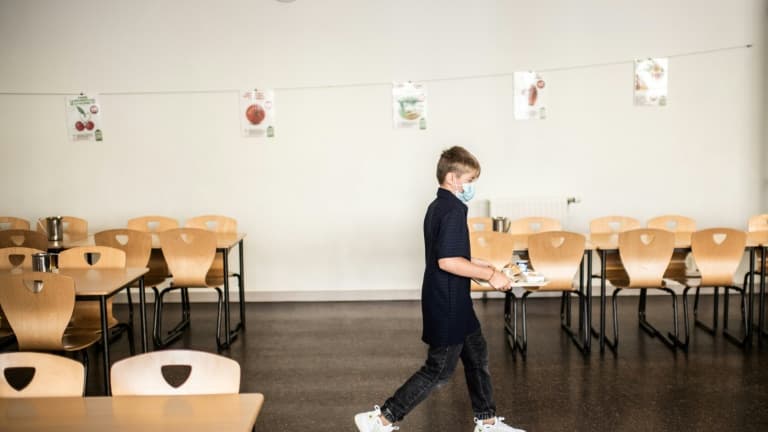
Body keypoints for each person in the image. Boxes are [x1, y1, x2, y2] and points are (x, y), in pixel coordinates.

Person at [354, 146, 525, 432]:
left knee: (477, 356)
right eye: (469, 180)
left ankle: (487, 422)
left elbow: (452, 254)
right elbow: (447, 261)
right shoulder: (453, 210)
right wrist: (489, 275)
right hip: (447, 303)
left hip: (455, 301)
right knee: (439, 371)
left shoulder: (439, 206)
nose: (471, 186)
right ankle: (382, 419)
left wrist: (488, 266)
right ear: (451, 178)